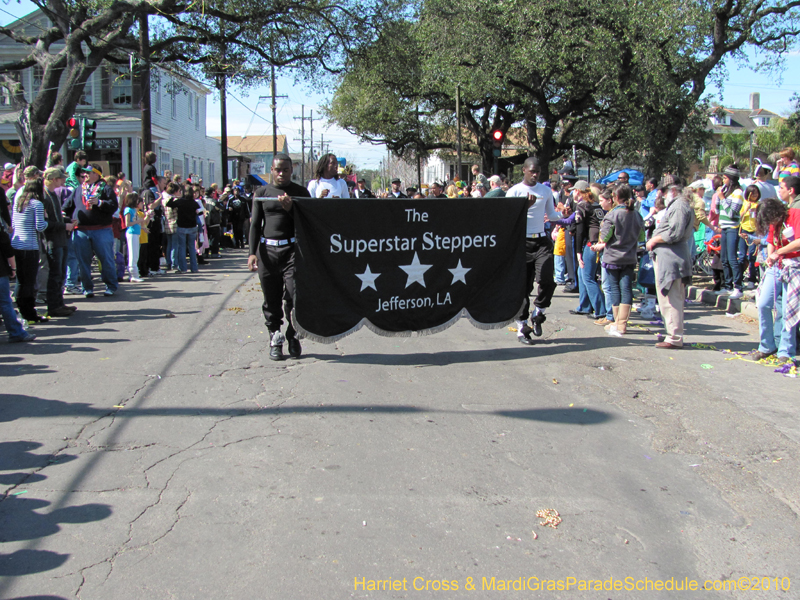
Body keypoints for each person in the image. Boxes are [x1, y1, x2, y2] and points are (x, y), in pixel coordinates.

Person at [248, 154, 311, 361]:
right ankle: (275, 337)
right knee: (271, 298)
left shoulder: (300, 193)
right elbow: (256, 225)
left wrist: (291, 209)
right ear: (271, 170)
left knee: (293, 295)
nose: (281, 173)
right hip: (267, 252)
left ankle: (293, 335)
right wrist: (251, 253)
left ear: (291, 170)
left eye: (285, 170)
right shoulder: (262, 193)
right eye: (277, 170)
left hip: (292, 251)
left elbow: (308, 223)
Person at [506, 156, 561, 343]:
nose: (535, 175)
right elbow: (508, 219)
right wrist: (525, 207)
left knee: (547, 280)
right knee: (523, 287)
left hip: (541, 241)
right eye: (532, 171)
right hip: (522, 243)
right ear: (524, 170)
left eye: (538, 171)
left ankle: (539, 313)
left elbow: (551, 214)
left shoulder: (545, 191)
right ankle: (522, 327)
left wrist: (564, 216)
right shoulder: (514, 191)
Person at [747, 196, 797, 364]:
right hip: (776, 266)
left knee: (787, 308)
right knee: (763, 303)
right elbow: (770, 241)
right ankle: (767, 345)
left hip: (793, 265)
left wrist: (779, 252)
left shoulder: (794, 214)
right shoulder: (772, 221)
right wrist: (770, 256)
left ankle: (785, 350)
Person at [592, 184, 644, 336]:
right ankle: (622, 324)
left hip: (613, 257)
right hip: (630, 257)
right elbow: (641, 237)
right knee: (627, 289)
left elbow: (605, 237)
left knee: (614, 289)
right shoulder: (637, 214)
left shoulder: (612, 215)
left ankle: (616, 322)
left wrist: (600, 241)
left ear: (615, 197)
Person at [646, 185, 695, 349]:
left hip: (672, 257)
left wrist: (654, 240)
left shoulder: (679, 205)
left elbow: (675, 232)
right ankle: (673, 334)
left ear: (672, 192)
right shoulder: (678, 205)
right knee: (669, 298)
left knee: (670, 297)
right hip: (671, 256)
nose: (663, 197)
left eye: (665, 193)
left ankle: (674, 337)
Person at [62, 163, 119, 297]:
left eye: (88, 172)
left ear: (97, 174)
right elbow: (67, 206)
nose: (85, 175)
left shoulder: (106, 188)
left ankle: (110, 285)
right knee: (83, 261)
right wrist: (64, 215)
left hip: (101, 229)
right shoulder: (78, 189)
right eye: (84, 172)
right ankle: (87, 288)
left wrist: (100, 203)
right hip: (81, 230)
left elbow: (113, 206)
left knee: (106, 259)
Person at [41, 167, 77, 317]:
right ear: (53, 179)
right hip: (52, 240)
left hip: (61, 238)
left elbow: (56, 217)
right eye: (61, 178)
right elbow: (44, 223)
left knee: (61, 273)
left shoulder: (53, 195)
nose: (64, 180)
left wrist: (67, 221)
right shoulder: (44, 196)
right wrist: (64, 225)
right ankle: (54, 306)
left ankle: (59, 303)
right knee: (55, 274)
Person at [11, 181, 48, 323]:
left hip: (16, 243)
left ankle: (21, 308)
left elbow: (14, 224)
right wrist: (46, 219)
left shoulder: (18, 204)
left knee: (20, 280)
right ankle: (29, 313)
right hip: (30, 245)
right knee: (30, 281)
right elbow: (40, 226)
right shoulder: (37, 204)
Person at [717, 165, 745, 298]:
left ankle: (738, 287)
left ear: (731, 179)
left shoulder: (738, 192)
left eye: (725, 178)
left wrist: (722, 198)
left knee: (732, 258)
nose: (723, 180)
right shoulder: (726, 191)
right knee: (724, 258)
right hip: (724, 227)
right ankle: (727, 286)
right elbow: (720, 210)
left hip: (733, 228)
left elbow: (733, 213)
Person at [166, 187, 201, 273]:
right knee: (192, 247)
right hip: (192, 226)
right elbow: (199, 211)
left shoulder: (180, 202)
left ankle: (183, 268)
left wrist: (174, 197)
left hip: (181, 226)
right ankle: (194, 267)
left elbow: (169, 204)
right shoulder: (194, 203)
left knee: (182, 247)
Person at [738, 184, 761, 289]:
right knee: (742, 256)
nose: (754, 196)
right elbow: (739, 217)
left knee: (752, 256)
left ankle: (752, 279)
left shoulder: (759, 205)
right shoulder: (744, 203)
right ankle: (739, 278)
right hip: (744, 230)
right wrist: (746, 209)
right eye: (752, 193)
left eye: (756, 193)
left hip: (754, 231)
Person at [123, 192, 145, 282]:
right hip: (131, 233)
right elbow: (127, 223)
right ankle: (133, 274)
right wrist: (138, 221)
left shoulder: (134, 211)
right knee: (133, 254)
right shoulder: (128, 210)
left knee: (136, 254)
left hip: (136, 233)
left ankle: (134, 273)